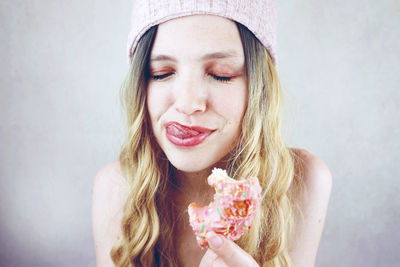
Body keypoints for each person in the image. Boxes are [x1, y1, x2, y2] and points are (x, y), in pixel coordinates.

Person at [92, 1, 332, 266]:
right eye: (161, 73)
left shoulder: (302, 181)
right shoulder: (116, 189)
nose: (187, 103)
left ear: (258, 88)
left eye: (220, 74)